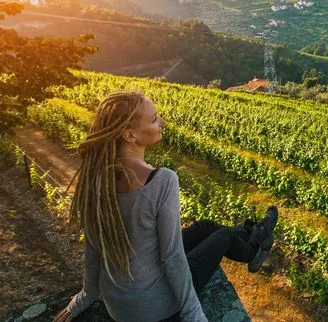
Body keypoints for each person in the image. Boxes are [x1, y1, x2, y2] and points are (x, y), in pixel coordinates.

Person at [52, 92, 278, 322]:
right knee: (223, 236)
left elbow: (93, 249)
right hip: (155, 306)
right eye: (154, 119)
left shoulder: (95, 178)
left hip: (119, 306)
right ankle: (253, 250)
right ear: (130, 135)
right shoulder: (161, 180)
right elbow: (172, 257)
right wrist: (194, 314)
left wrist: (85, 296)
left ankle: (255, 234)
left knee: (205, 227)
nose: (162, 122)